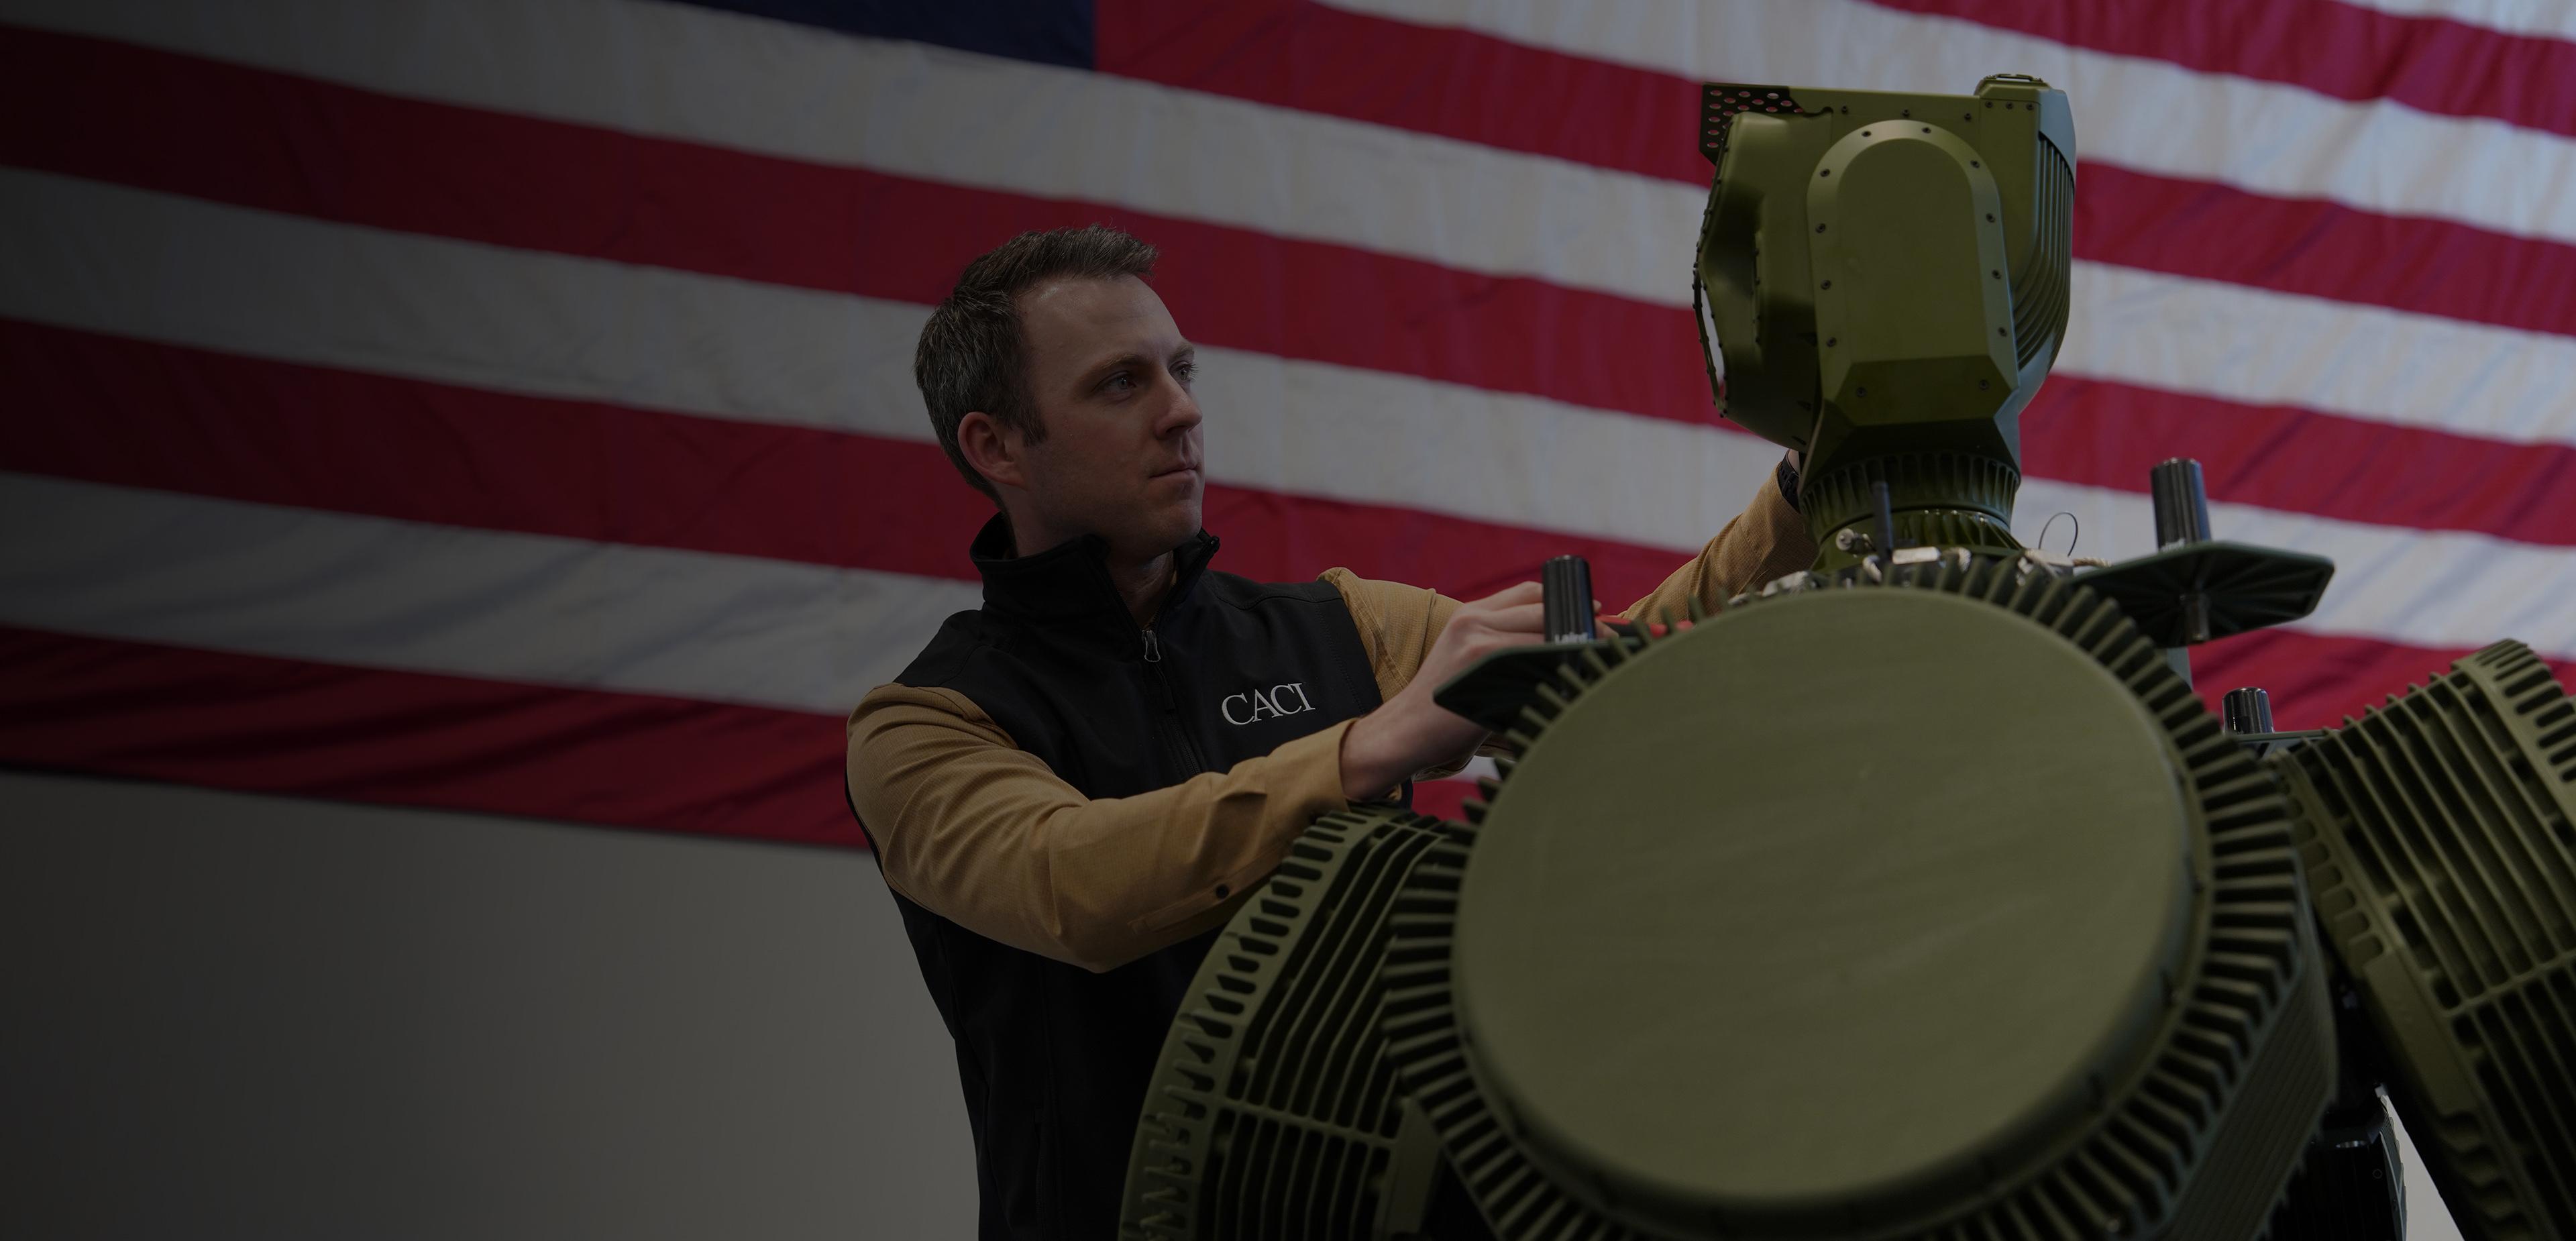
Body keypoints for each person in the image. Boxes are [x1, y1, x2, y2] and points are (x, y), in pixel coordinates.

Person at [845, 225, 1814, 1238]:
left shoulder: (1340, 625)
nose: (1183, 411)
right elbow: (1069, 883)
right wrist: (1367, 748)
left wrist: (1798, 487)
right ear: (995, 445)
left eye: (1180, 371)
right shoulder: (925, 724)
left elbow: (1626, 668)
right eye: (1120, 385)